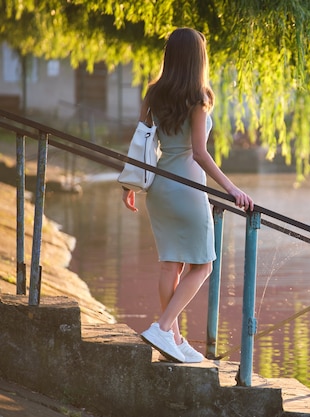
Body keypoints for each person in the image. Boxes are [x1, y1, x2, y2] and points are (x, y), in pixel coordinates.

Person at [122, 28, 254, 363]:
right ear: (198, 58)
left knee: (170, 265)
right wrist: (233, 188)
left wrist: (129, 184)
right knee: (204, 265)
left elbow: (142, 141)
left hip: (160, 188)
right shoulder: (199, 98)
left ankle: (174, 340)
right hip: (189, 188)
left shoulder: (154, 93)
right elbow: (199, 153)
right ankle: (164, 328)